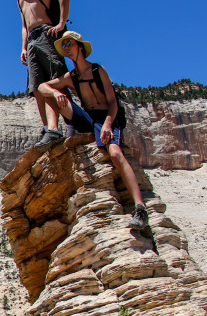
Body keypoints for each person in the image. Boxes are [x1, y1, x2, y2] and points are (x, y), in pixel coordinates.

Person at [38, 31, 149, 231]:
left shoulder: (98, 71)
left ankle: (140, 208)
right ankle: (52, 131)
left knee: (115, 153)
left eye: (69, 44)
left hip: (107, 117)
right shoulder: (71, 77)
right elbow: (42, 87)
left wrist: (107, 124)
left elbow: (113, 103)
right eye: (64, 46)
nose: (66, 49)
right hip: (88, 118)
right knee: (51, 96)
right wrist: (56, 91)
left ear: (80, 46)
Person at [3, 0, 71, 146]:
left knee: (54, 80)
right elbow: (24, 25)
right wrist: (23, 47)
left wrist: (61, 24)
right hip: (32, 40)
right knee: (37, 87)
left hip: (47, 34)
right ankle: (47, 128)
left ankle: (58, 127)